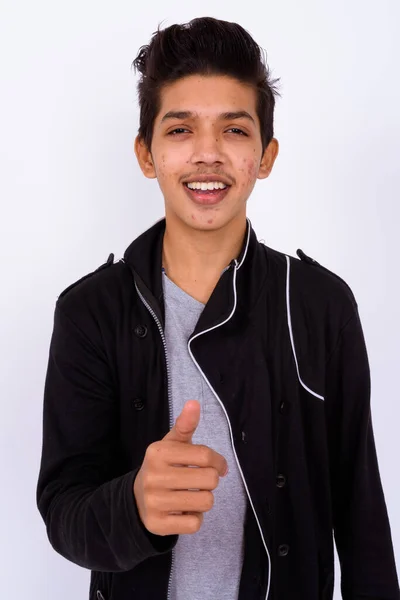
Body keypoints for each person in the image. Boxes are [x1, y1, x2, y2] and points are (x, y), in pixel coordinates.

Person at [36, 16, 399, 600]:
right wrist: (134, 506)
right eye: (180, 130)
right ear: (146, 154)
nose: (208, 154)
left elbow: (362, 517)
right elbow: (62, 511)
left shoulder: (321, 305)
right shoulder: (89, 311)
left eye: (234, 130)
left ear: (266, 154)